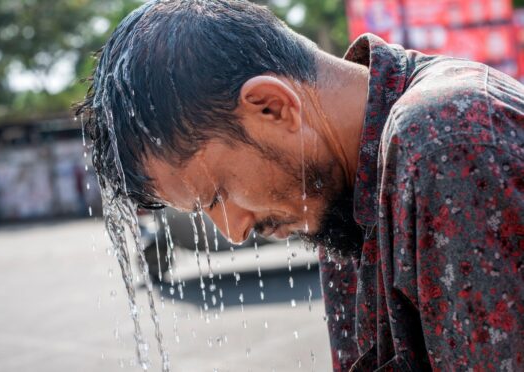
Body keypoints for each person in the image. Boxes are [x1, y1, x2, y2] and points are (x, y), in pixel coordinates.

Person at [77, 1, 524, 370]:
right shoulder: (338, 190)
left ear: (272, 108)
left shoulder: (441, 139)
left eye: (218, 196)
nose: (233, 231)